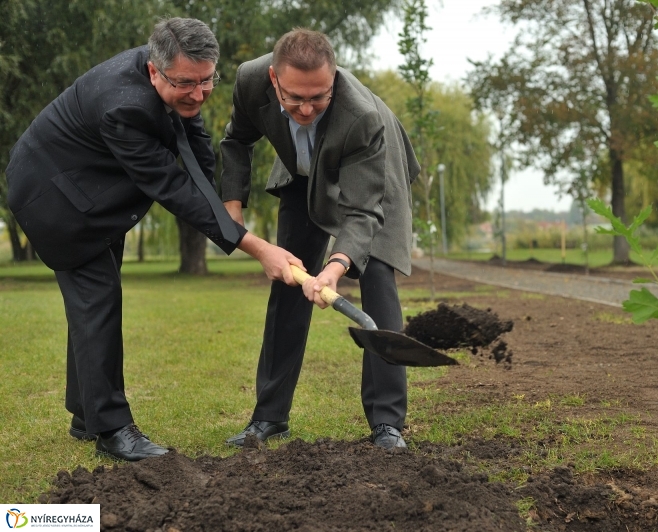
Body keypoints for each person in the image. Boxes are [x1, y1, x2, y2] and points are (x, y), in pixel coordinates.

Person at [4, 18, 302, 462]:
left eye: (207, 81)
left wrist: (227, 208)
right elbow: (171, 187)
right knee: (97, 303)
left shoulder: (174, 85)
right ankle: (113, 430)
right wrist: (256, 246)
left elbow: (194, 147)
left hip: (92, 192)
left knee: (93, 308)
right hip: (56, 200)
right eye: (187, 83)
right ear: (154, 72)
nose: (199, 95)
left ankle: (87, 414)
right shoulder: (122, 106)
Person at [220, 28, 419, 450]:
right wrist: (232, 203)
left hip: (372, 170)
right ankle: (268, 417)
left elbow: (364, 210)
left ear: (334, 81)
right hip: (301, 172)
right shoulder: (250, 79)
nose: (306, 109)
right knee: (288, 282)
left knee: (377, 277)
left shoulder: (363, 116)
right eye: (294, 98)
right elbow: (236, 140)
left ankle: (387, 422)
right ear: (274, 79)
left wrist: (336, 265)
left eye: (319, 97)